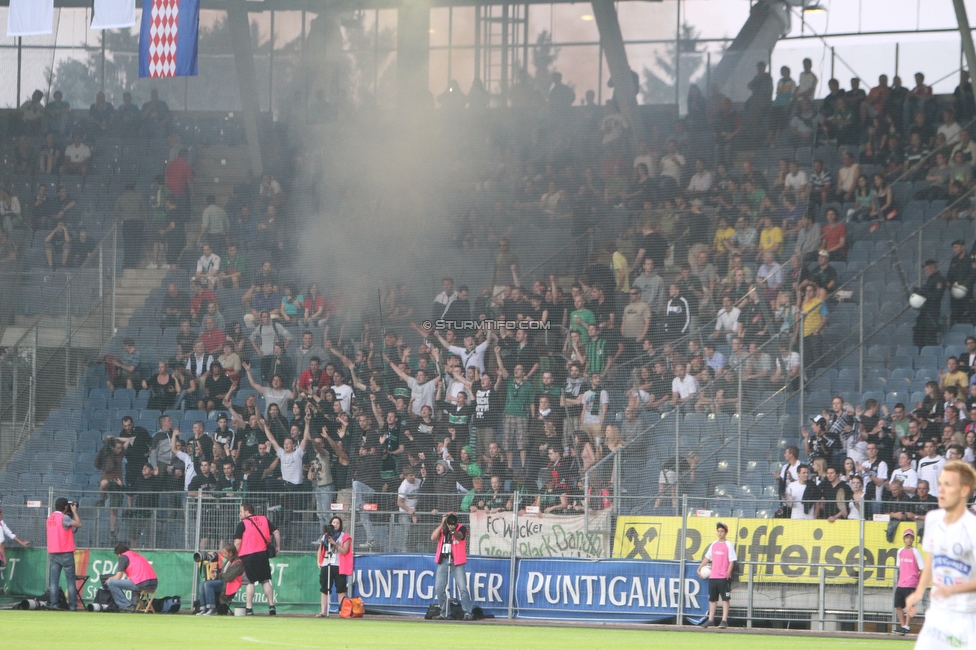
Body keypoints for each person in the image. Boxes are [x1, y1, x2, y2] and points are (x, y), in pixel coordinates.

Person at [905, 461, 976, 648]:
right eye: (940, 483)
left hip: (966, 617)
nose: (941, 490)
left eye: (948, 484)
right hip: (937, 614)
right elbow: (931, 559)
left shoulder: (972, 528)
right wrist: (918, 592)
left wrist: (952, 590)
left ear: (964, 491)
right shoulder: (932, 519)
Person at [233, 502, 282, 616]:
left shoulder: (242, 524)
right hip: (262, 554)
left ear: (247, 512)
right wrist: (278, 546)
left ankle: (249, 608)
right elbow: (276, 532)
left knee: (250, 582)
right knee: (265, 580)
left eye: (241, 511)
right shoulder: (264, 519)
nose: (239, 514)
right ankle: (271, 606)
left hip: (247, 556)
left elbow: (237, 542)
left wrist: (235, 555)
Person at [431, 513, 473, 620]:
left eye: (452, 520)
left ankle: (467, 612)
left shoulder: (461, 528)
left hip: (457, 560)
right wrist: (442, 524)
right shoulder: (442, 529)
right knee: (439, 588)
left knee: (462, 588)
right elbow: (433, 537)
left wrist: (453, 530)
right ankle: (444, 612)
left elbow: (460, 536)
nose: (451, 522)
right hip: (443, 560)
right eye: (449, 520)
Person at [698, 521, 736, 629]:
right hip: (713, 576)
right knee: (713, 599)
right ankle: (710, 619)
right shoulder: (714, 544)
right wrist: (700, 566)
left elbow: (732, 560)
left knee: (725, 598)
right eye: (718, 531)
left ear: (725, 533)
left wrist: (728, 572)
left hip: (723, 576)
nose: (720, 533)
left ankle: (724, 620)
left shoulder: (728, 544)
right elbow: (707, 557)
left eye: (722, 531)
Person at [45, 497, 82, 610]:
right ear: (66, 507)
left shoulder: (49, 518)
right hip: (65, 552)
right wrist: (74, 511)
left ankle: (54, 604)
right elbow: (78, 524)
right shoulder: (64, 518)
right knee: (70, 581)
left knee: (54, 581)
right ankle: (72, 605)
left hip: (53, 552)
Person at [316, 515, 353, 617]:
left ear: (340, 525)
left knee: (340, 589)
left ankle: (342, 611)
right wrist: (319, 561)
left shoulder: (344, 536)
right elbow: (320, 549)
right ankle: (323, 611)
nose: (335, 525)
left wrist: (335, 543)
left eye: (337, 523)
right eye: (333, 523)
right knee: (324, 588)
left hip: (338, 565)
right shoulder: (325, 536)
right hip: (326, 563)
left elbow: (345, 551)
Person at [105, 543, 158, 612]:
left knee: (111, 583)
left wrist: (110, 579)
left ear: (118, 554)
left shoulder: (123, 556)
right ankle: (134, 604)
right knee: (133, 581)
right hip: (153, 583)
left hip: (141, 583)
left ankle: (125, 606)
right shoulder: (137, 555)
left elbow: (118, 577)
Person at [198, 543, 245, 616]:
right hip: (224, 582)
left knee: (208, 584)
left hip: (229, 584)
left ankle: (212, 609)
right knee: (202, 584)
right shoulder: (228, 561)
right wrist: (216, 572)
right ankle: (203, 608)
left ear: (231, 553)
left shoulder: (238, 563)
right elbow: (223, 573)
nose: (224, 554)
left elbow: (229, 577)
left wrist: (218, 575)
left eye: (225, 553)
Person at [893, 528, 923, 635]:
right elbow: (899, 567)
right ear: (904, 539)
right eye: (907, 537)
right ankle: (903, 626)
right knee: (898, 605)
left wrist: (919, 583)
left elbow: (922, 569)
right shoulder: (900, 552)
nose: (909, 540)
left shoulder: (916, 552)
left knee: (910, 605)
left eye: (910, 538)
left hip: (911, 583)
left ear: (913, 539)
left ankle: (907, 625)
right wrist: (898, 580)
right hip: (901, 583)